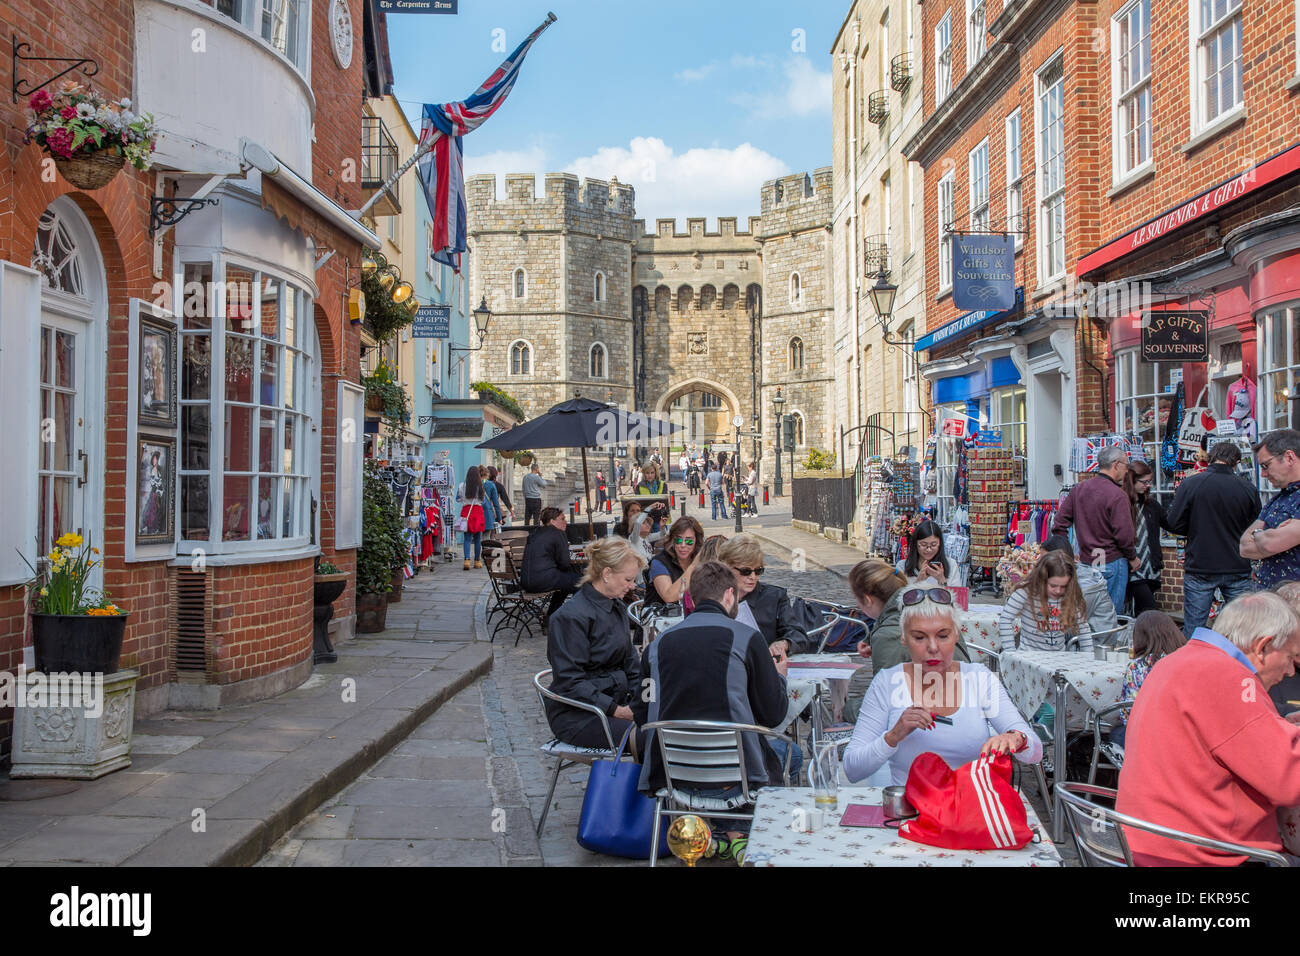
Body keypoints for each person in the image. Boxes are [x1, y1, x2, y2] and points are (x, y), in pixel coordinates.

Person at [1116, 590, 1300, 866]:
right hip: (1197, 853)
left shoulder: (1177, 660)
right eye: (1291, 658)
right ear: (1263, 646)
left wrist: (1278, 729)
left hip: (1146, 841)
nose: (1290, 672)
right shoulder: (1230, 677)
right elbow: (1290, 780)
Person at [633, 559, 791, 865]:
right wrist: (780, 677)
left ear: (691, 597)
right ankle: (740, 834)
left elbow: (643, 711)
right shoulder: (747, 638)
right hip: (737, 777)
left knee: (739, 755)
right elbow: (773, 715)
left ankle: (714, 834)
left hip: (672, 775)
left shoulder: (657, 645)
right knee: (788, 755)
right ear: (729, 596)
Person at [843, 586, 1042, 787]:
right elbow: (852, 769)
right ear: (903, 638)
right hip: (909, 811)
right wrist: (893, 736)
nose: (932, 647)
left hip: (969, 808)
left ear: (956, 635)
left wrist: (1016, 739)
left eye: (943, 635)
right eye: (919, 637)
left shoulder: (980, 679)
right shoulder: (887, 682)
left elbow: (1035, 752)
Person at [544, 537, 647, 752]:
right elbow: (569, 682)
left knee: (670, 724)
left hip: (615, 700)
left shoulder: (616, 605)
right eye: (628, 579)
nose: (633, 585)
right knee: (650, 738)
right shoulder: (570, 617)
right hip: (579, 713)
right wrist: (616, 710)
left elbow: (631, 663)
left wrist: (642, 700)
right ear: (607, 574)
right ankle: (645, 785)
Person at [1167, 440, 1260, 635]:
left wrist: (1194, 528)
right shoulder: (1247, 488)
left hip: (1201, 563)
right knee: (1243, 627)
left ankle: (1193, 664)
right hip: (1237, 563)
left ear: (1210, 459)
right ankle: (1238, 663)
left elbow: (1173, 523)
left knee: (1195, 626)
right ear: (1235, 463)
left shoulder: (1191, 484)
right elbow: (1255, 528)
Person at [1052, 445, 1137, 617]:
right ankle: (1106, 644)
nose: (1127, 471)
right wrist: (1132, 557)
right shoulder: (1117, 495)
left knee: (1087, 615)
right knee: (1110, 617)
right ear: (1116, 464)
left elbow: (1059, 524)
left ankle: (1088, 644)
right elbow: (1124, 535)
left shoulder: (1079, 490)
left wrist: (1068, 553)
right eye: (1126, 466)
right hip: (1112, 560)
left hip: (1087, 561)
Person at [718, 534, 809, 653]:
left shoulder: (775, 597)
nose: (753, 577)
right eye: (746, 571)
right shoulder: (715, 595)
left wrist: (784, 643)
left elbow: (798, 635)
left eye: (758, 571)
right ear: (727, 568)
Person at [1110, 610, 1185, 749]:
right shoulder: (1185, 660)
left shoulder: (1138, 666)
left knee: (1115, 733)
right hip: (1183, 734)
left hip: (1151, 736)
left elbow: (1129, 713)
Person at [999, 550, 1094, 652]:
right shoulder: (1026, 591)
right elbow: (1005, 619)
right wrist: (1010, 653)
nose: (1058, 590)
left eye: (1063, 586)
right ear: (1042, 579)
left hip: (1058, 659)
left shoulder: (1070, 594)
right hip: (1029, 658)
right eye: (1053, 585)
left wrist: (1089, 657)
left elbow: (1083, 629)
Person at [1240, 429, 1300, 590]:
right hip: (1272, 601)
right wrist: (1269, 535)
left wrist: (1259, 534)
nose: (1264, 474)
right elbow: (1244, 547)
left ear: (1289, 457)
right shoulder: (1278, 498)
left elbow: (1270, 545)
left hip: (1294, 606)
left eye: (1266, 466)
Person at [1041, 535, 1118, 636]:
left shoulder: (1085, 586)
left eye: (1045, 561)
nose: (1040, 566)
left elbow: (1067, 630)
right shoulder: (1070, 575)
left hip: (1095, 644)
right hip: (1079, 640)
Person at [1124, 460, 1169, 615]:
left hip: (1151, 566)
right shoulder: (1122, 504)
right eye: (1144, 482)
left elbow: (1171, 523)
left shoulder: (1151, 505)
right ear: (1132, 481)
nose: (1148, 485)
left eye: (1150, 482)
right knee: (1150, 609)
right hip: (1132, 567)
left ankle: (1138, 638)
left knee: (1142, 612)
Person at [522, 507, 583, 620]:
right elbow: (564, 563)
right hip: (542, 580)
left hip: (526, 581)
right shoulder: (558, 533)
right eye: (562, 519)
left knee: (566, 581)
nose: (566, 522)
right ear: (552, 521)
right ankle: (574, 618)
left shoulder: (534, 533)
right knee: (581, 581)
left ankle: (551, 617)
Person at [649, 516, 703, 605]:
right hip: (661, 615)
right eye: (678, 540)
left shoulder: (701, 560)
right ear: (672, 540)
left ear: (697, 542)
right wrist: (693, 566)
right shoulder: (659, 562)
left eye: (689, 541)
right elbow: (668, 597)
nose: (683, 545)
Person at [896, 519, 964, 587]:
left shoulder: (951, 565)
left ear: (940, 544)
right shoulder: (902, 567)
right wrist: (918, 582)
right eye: (923, 545)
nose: (929, 550)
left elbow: (957, 595)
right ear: (915, 544)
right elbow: (899, 596)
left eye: (933, 545)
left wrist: (942, 581)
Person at [456, 466, 490, 570]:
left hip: (466, 511)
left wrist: (465, 500)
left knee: (467, 538)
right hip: (477, 512)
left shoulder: (462, 485)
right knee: (477, 538)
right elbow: (483, 501)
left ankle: (466, 561)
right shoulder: (480, 486)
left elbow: (458, 499)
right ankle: (477, 561)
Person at [478, 465, 502, 540]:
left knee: (477, 538)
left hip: (476, 512)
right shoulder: (491, 484)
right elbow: (496, 503)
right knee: (486, 537)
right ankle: (485, 550)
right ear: (487, 475)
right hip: (487, 514)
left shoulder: (474, 484)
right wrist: (499, 517)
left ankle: (478, 551)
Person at [522, 463, 547, 527]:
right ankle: (536, 532)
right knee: (536, 518)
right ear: (537, 469)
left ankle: (526, 531)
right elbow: (544, 484)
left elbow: (523, 488)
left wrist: (525, 497)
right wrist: (540, 475)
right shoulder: (536, 477)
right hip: (536, 499)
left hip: (528, 499)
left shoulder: (525, 477)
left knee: (527, 518)